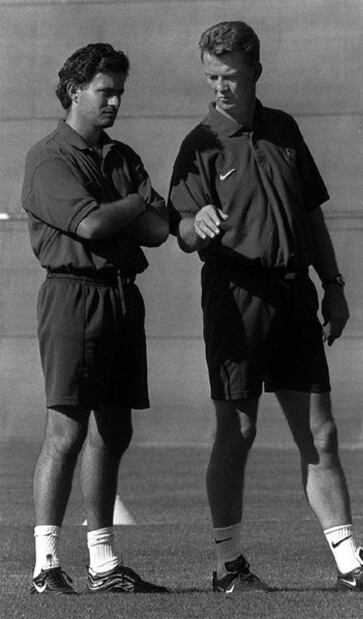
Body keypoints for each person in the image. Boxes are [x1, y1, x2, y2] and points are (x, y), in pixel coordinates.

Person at [168, 21, 363, 594]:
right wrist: (192, 226)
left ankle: (353, 564)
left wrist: (335, 284)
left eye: (229, 76)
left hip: (296, 293)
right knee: (240, 429)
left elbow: (311, 215)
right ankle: (229, 565)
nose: (220, 87)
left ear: (255, 71)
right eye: (211, 77)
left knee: (320, 434)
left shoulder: (285, 129)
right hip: (235, 297)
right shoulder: (199, 142)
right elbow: (179, 227)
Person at [22, 43, 169, 595]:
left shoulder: (121, 155)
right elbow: (91, 226)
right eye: (105, 91)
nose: (114, 101)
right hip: (72, 296)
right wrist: (133, 204)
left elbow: (157, 232)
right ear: (74, 91)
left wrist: (130, 210)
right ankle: (45, 563)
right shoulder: (49, 157)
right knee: (66, 429)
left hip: (122, 297)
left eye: (120, 92)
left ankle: (104, 563)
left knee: (115, 428)